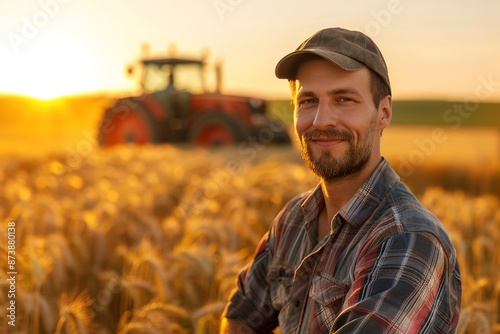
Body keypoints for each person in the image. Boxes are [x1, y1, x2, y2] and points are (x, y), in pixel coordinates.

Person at [220, 27, 461, 333]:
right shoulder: (292, 220)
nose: (322, 121)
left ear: (383, 112)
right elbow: (242, 315)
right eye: (308, 101)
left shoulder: (408, 239)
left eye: (344, 99)